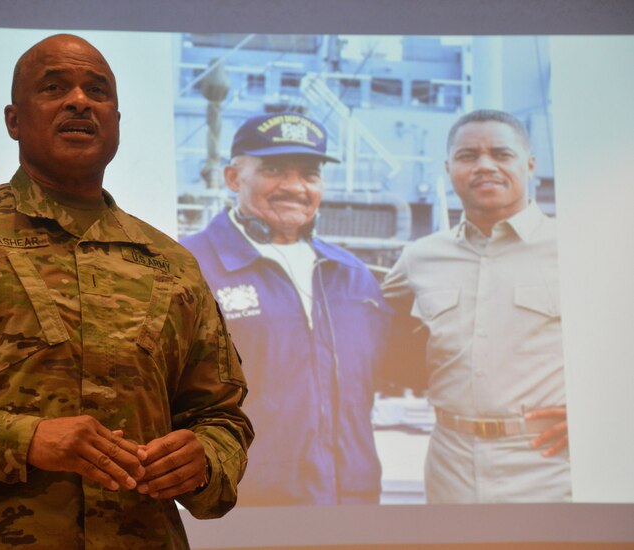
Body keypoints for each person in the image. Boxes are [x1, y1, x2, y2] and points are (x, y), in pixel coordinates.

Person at [0, 34, 253, 548]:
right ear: (14, 120)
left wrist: (205, 460)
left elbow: (221, 416)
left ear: (116, 122)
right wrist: (26, 440)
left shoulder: (172, 264)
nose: (79, 100)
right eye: (54, 87)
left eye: (97, 91)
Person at [181, 112, 391, 505]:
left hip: (353, 504)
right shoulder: (189, 267)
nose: (294, 186)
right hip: (243, 509)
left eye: (309, 173)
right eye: (274, 169)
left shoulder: (354, 277)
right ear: (233, 178)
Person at [381, 109, 570, 503]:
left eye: (501, 154)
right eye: (468, 156)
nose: (485, 166)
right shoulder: (420, 257)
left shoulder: (575, 248)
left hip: (551, 466)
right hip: (451, 464)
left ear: (530, 164)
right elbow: (356, 320)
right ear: (449, 168)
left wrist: (601, 413)